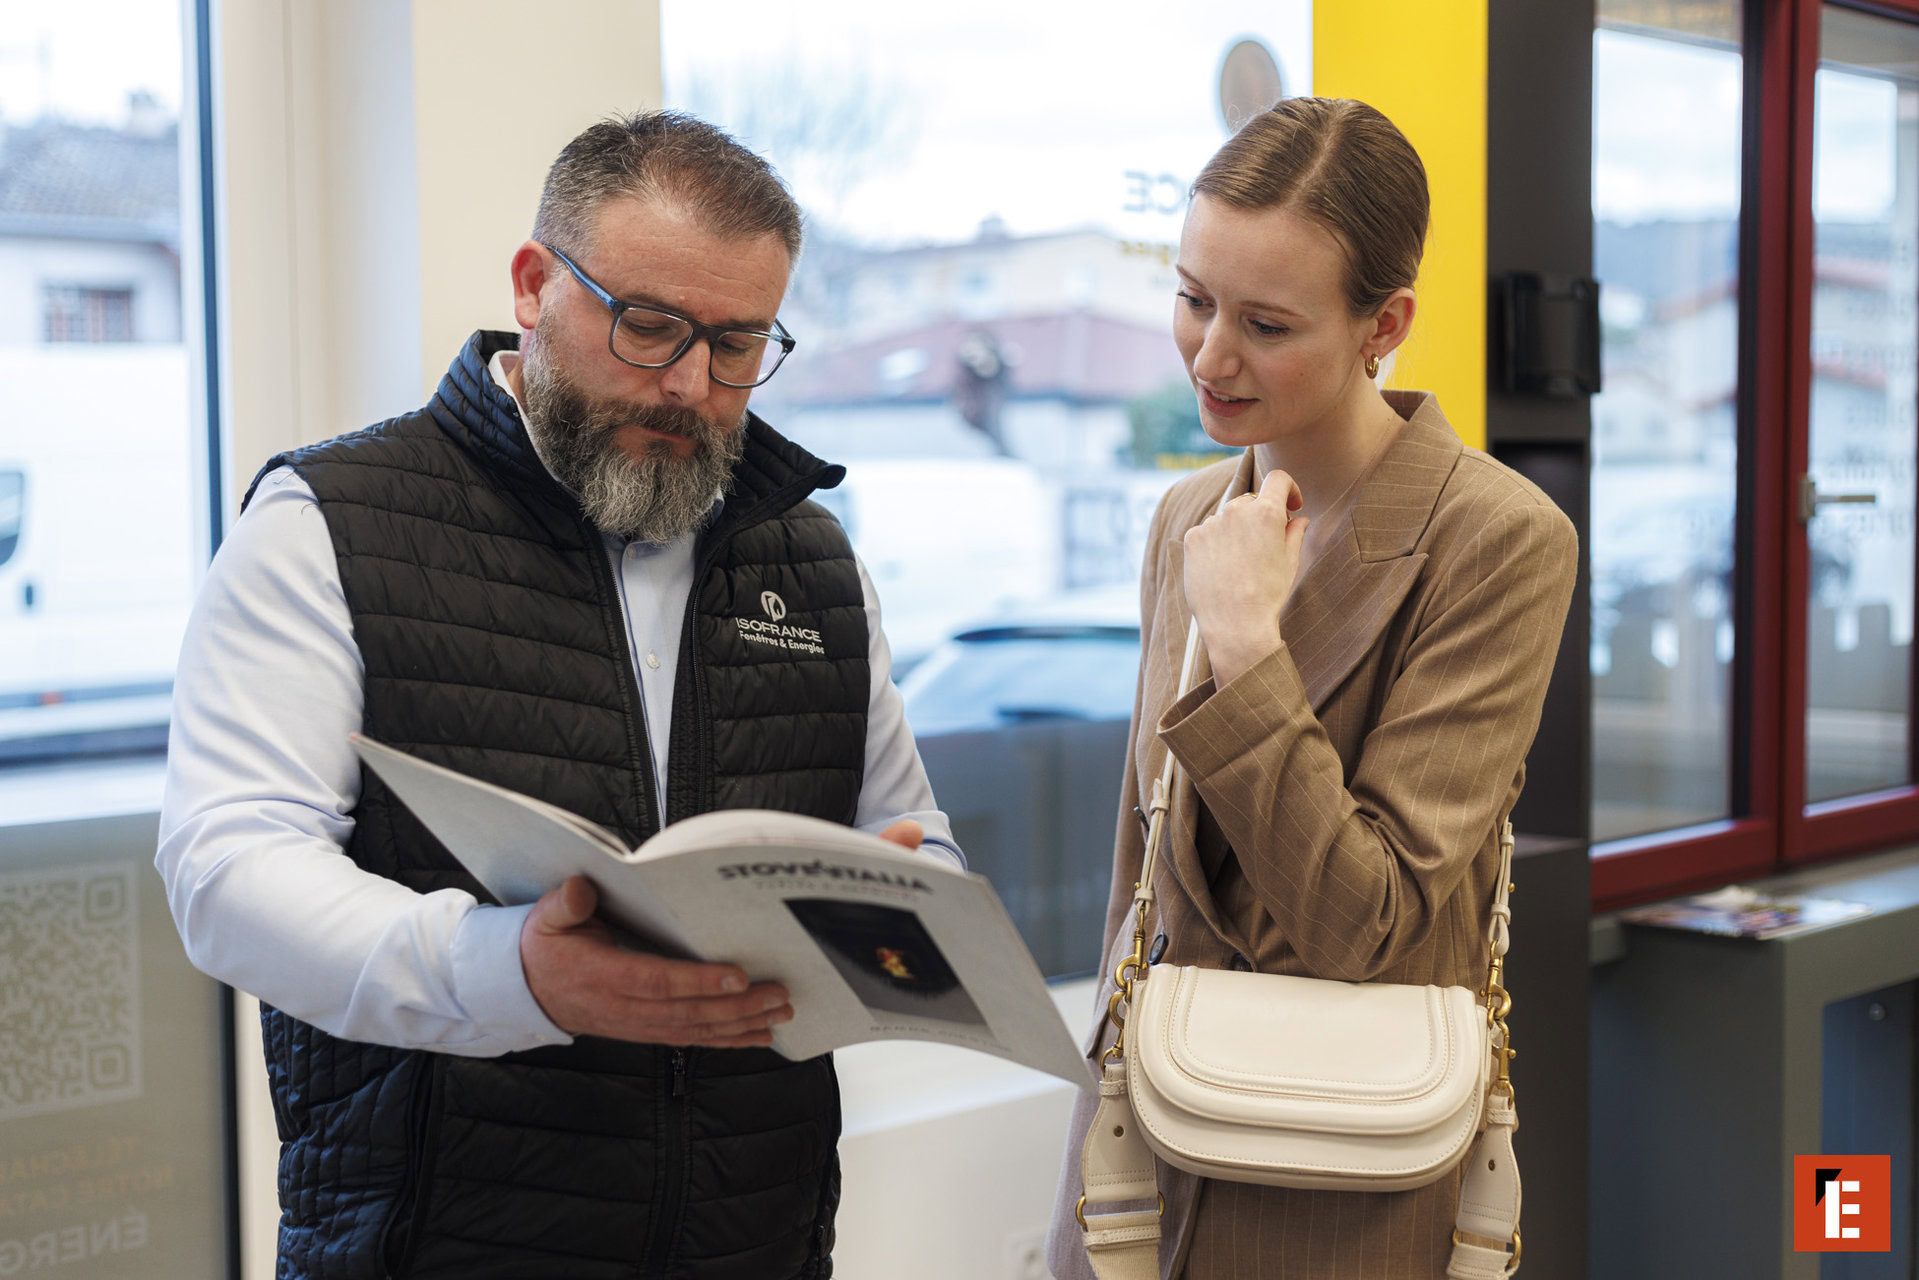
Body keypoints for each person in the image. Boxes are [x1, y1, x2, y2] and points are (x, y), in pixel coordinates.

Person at [156, 111, 963, 1280]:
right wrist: (510, 969)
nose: (691, 384)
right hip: (429, 1245)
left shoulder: (812, 561)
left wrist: (893, 911)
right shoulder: (330, 525)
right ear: (535, 286)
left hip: (756, 1238)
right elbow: (228, 871)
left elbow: (909, 837)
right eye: (648, 326)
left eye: (739, 345)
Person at [1046, 97, 1578, 1279]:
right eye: (1192, 297)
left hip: (1344, 1184)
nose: (1209, 355)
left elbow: (1368, 920)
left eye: (1267, 322)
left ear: (1381, 323)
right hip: (1141, 1177)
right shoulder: (1188, 514)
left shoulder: (1493, 538)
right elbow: (1143, 883)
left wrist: (1245, 643)